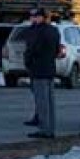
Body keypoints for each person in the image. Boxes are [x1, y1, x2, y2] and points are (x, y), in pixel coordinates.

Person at [23, 8, 61, 138]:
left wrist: (27, 61)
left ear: (41, 18)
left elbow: (32, 49)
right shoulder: (54, 31)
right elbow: (57, 51)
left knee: (41, 102)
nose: (33, 19)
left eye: (35, 16)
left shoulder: (38, 32)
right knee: (50, 102)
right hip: (50, 69)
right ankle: (51, 128)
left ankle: (45, 130)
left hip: (38, 70)